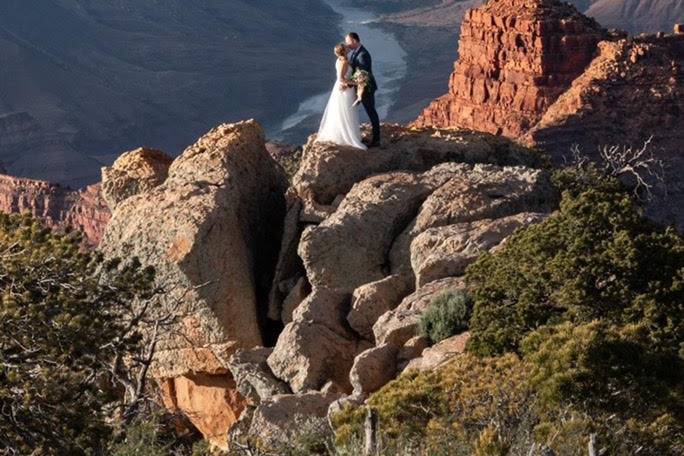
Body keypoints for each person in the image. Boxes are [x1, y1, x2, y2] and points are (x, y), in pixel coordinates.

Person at [315, 43, 367, 150]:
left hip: (343, 88)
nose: (348, 47)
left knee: (344, 111)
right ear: (343, 51)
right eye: (346, 47)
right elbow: (341, 79)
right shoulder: (343, 62)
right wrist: (356, 83)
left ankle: (345, 133)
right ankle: (347, 136)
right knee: (346, 111)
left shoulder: (340, 60)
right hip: (345, 89)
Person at [345, 32, 380, 147]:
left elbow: (362, 75)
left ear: (354, 41)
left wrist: (350, 84)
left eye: (348, 42)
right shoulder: (355, 52)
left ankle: (376, 140)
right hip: (360, 87)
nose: (347, 44)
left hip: (366, 88)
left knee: (371, 112)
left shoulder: (363, 55)